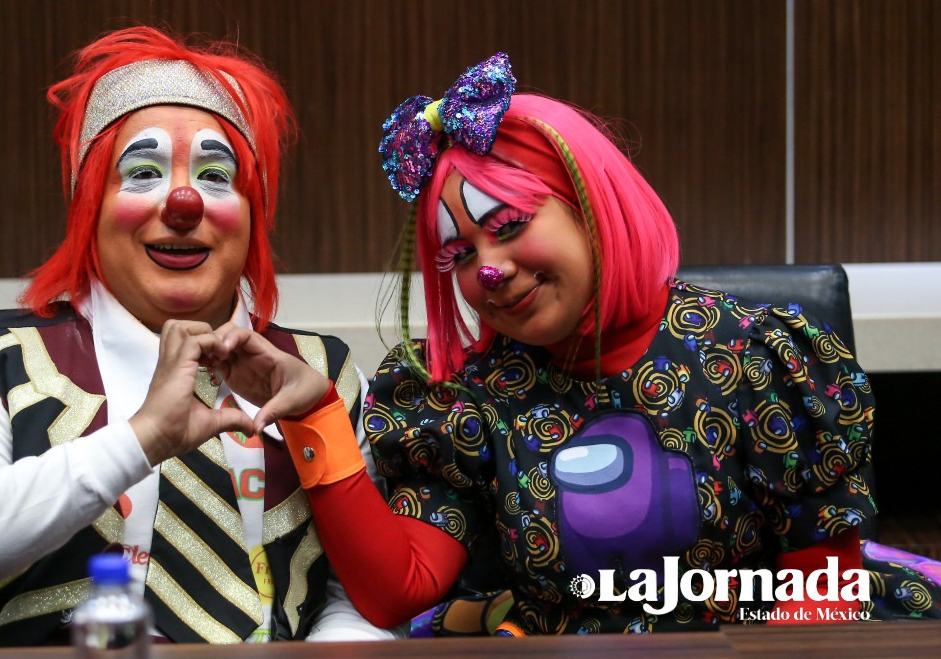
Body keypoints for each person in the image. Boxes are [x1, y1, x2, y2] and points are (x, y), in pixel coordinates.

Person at [214, 52, 941, 635]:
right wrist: (313, 416)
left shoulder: (757, 360)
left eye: (507, 225)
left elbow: (822, 596)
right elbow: (393, 591)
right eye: (458, 254)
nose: (489, 269)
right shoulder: (466, 399)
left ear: (593, 205)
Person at [0, 26, 396, 648]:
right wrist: (141, 439)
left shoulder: (325, 375)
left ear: (252, 213)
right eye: (143, 173)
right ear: (88, 207)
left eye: (214, 176)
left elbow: (362, 593)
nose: (182, 203)